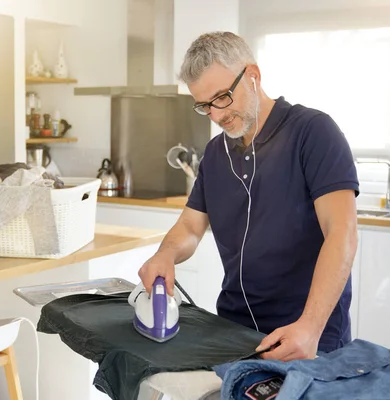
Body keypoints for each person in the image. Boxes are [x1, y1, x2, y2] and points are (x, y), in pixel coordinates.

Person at [138, 31, 359, 361]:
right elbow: (190, 227)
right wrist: (165, 255)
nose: (216, 115)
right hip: (232, 334)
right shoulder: (215, 154)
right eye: (204, 105)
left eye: (222, 97)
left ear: (253, 76)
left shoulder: (313, 133)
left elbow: (342, 233)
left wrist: (310, 328)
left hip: (307, 339)